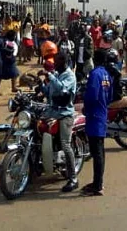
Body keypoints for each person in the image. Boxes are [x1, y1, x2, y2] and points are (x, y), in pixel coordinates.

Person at [40, 52, 78, 192]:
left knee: (65, 144)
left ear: (64, 62)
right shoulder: (56, 74)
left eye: (57, 61)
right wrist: (39, 84)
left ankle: (73, 178)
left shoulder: (69, 76)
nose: (55, 63)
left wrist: (49, 76)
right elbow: (49, 91)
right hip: (51, 111)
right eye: (55, 61)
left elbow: (62, 90)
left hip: (64, 114)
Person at [81, 49, 112, 197]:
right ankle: (97, 182)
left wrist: (86, 107)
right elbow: (110, 95)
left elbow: (91, 95)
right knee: (100, 150)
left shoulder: (95, 74)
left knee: (97, 152)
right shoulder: (106, 74)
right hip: (102, 113)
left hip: (94, 115)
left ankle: (97, 185)